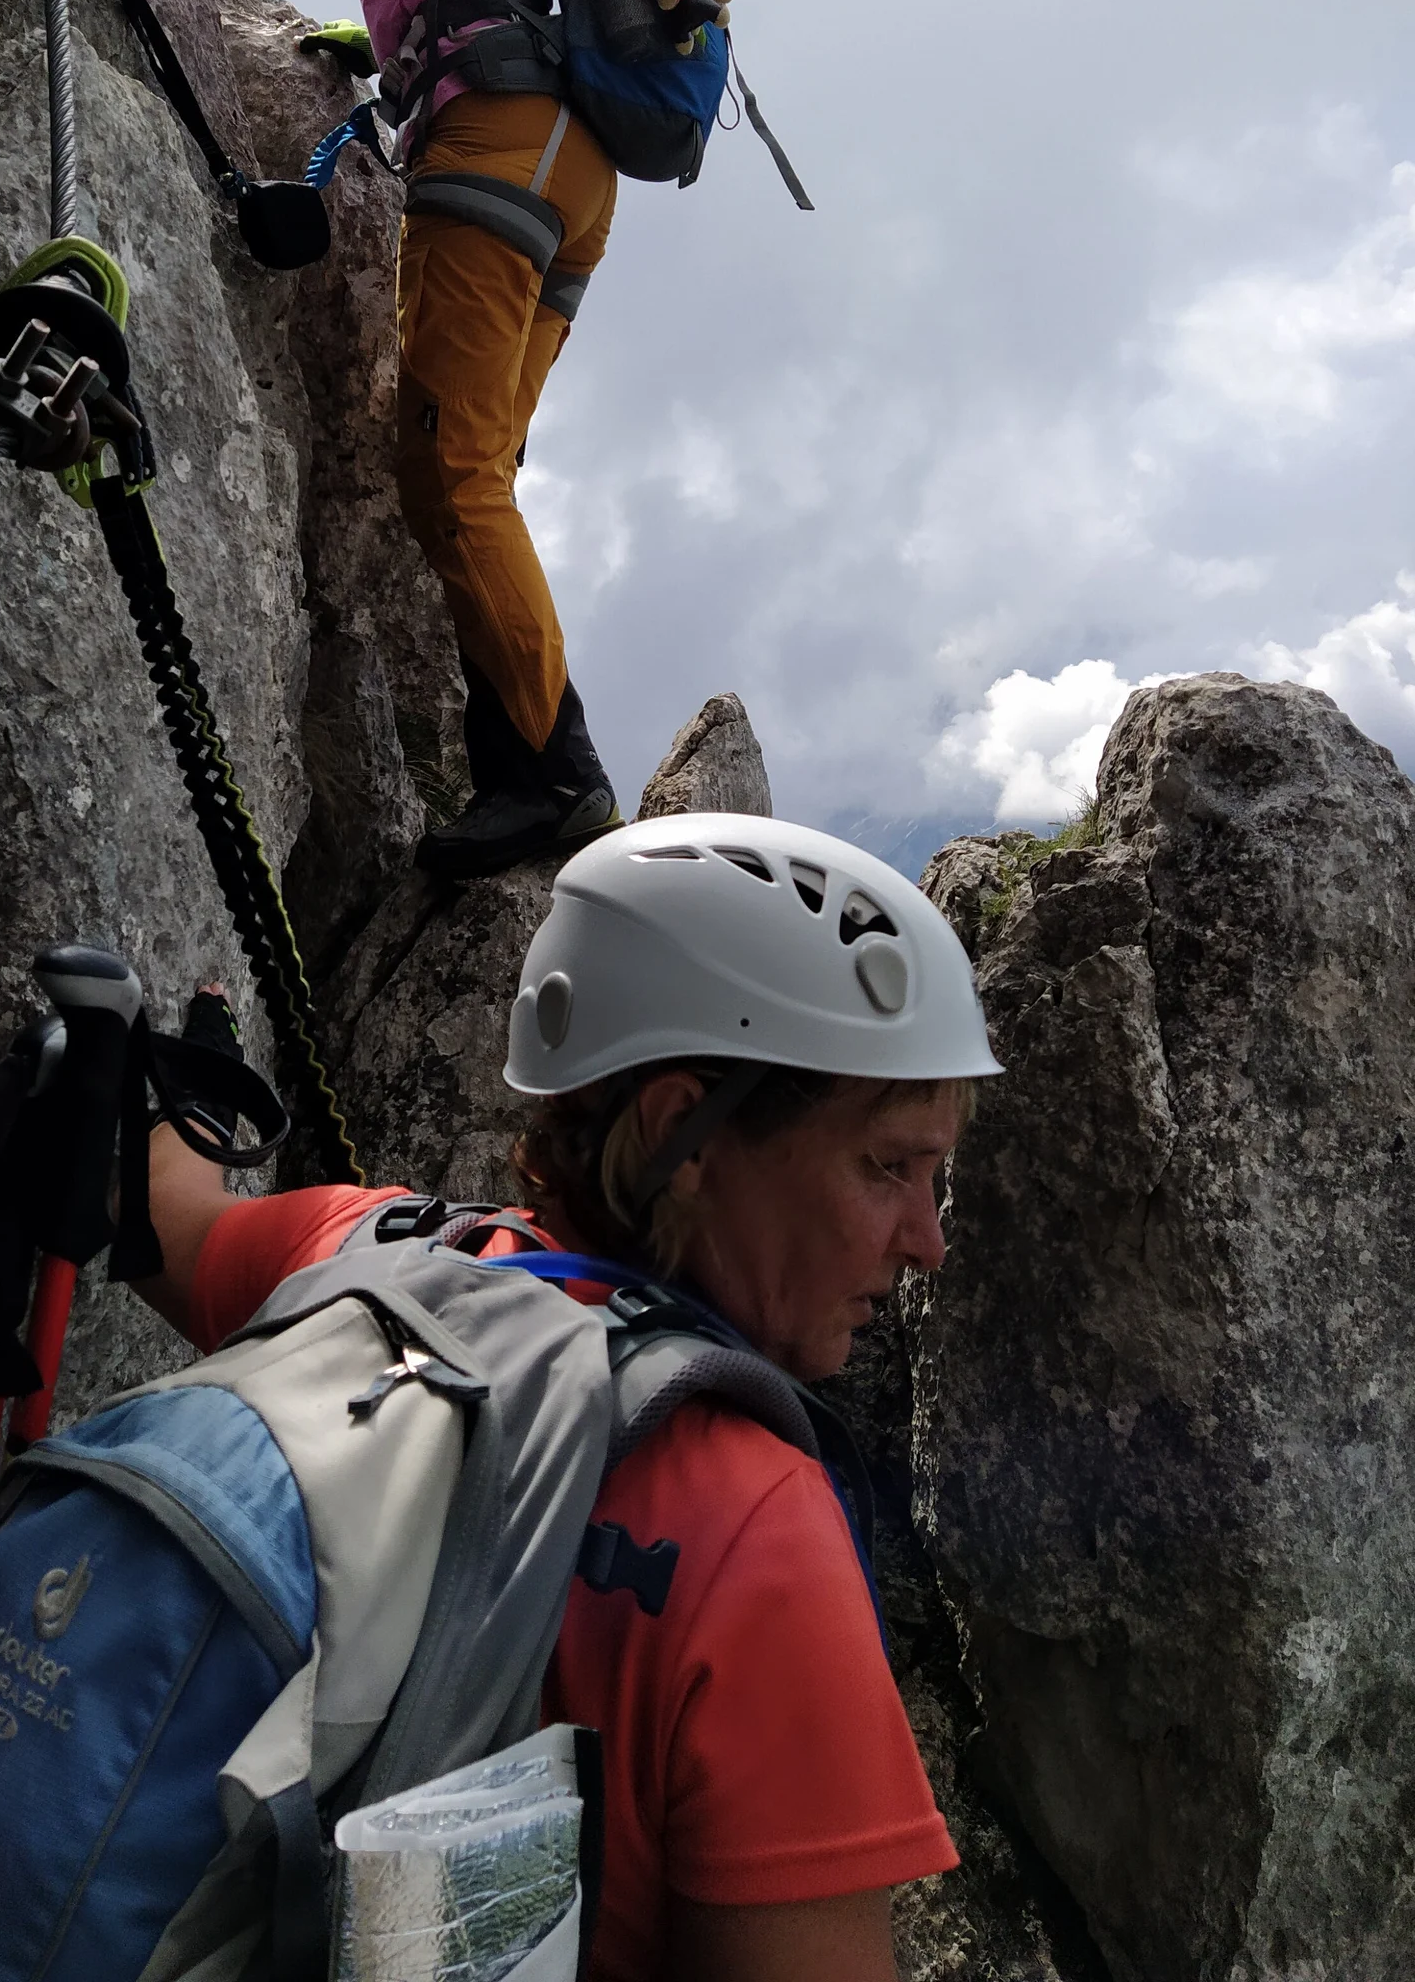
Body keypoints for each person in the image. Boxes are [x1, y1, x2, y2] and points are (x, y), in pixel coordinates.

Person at [132, 812, 1001, 1982]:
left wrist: (148, 1089)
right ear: (682, 1133)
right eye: (887, 1165)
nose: (927, 1240)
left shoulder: (365, 1253)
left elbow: (162, 1221)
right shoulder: (759, 1534)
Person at [59, 0, 724, 882]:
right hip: (562, 166)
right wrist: (391, 47)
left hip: (499, 148)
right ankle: (523, 771)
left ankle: (561, 781)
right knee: (475, 473)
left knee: (452, 474)